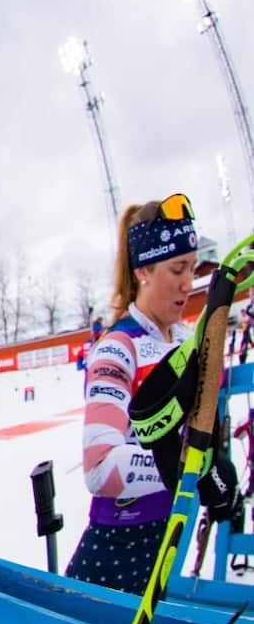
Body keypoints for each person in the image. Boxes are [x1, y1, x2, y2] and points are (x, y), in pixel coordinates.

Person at [65, 195, 212, 594]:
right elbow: (99, 467)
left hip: (171, 532)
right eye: (177, 268)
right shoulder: (117, 347)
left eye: (193, 268)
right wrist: (183, 469)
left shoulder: (185, 340)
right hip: (121, 546)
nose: (188, 282)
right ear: (144, 269)